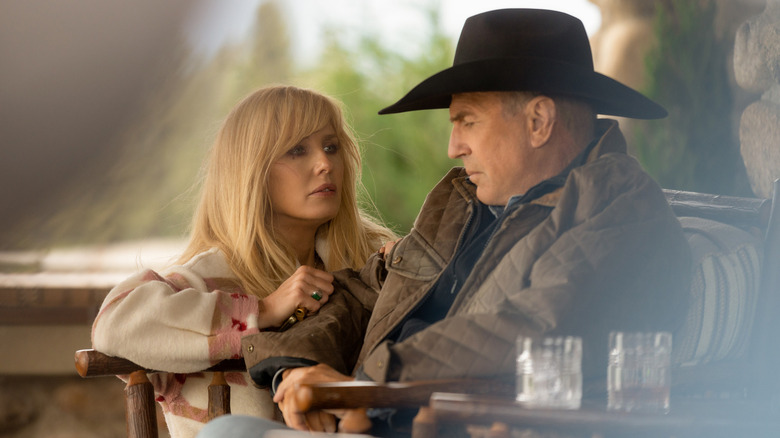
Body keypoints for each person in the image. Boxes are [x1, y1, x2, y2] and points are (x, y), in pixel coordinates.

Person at [198, 8, 691, 437]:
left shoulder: (616, 210)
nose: (453, 147)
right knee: (228, 431)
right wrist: (294, 369)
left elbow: (532, 328)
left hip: (461, 426)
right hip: (377, 420)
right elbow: (361, 291)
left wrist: (364, 387)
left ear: (538, 121)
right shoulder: (462, 201)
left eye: (467, 121)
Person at [91, 85, 397, 438]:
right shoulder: (202, 282)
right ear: (250, 170)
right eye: (297, 150)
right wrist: (260, 311)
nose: (325, 164)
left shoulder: (372, 264)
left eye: (331, 147)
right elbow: (113, 323)